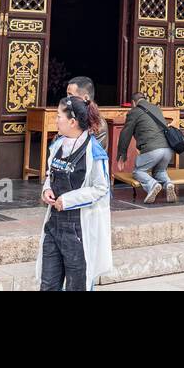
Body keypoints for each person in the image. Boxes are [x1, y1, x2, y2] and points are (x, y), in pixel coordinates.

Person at [37, 95, 113, 291]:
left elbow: (101, 188)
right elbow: (50, 174)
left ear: (72, 121)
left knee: (77, 285)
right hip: (54, 225)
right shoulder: (57, 145)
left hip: (78, 228)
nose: (56, 120)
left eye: (58, 116)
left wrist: (69, 200)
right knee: (48, 284)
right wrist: (47, 189)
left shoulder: (93, 151)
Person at [116, 91, 176, 204]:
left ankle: (152, 185)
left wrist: (122, 154)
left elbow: (125, 133)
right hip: (168, 149)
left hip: (152, 149)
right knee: (160, 171)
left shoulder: (134, 112)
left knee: (138, 172)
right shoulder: (156, 108)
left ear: (133, 102)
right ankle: (168, 184)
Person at [67, 75, 108, 144]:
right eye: (67, 95)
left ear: (85, 98)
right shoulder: (69, 117)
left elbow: (92, 153)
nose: (67, 99)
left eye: (70, 95)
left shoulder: (99, 125)